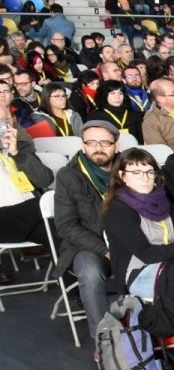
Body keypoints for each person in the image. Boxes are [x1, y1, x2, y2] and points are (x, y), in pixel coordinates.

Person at [52, 120, 116, 334]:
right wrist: (105, 250)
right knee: (90, 272)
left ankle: (157, 328)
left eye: (105, 142)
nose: (98, 147)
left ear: (115, 145)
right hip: (88, 247)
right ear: (83, 145)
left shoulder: (129, 169)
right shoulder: (68, 175)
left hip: (128, 240)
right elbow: (66, 226)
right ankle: (103, 339)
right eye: (92, 142)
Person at [101, 147, 174, 300]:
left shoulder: (164, 202)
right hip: (139, 273)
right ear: (122, 176)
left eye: (149, 172)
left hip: (173, 264)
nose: (145, 178)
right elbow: (147, 255)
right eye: (136, 173)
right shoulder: (118, 210)